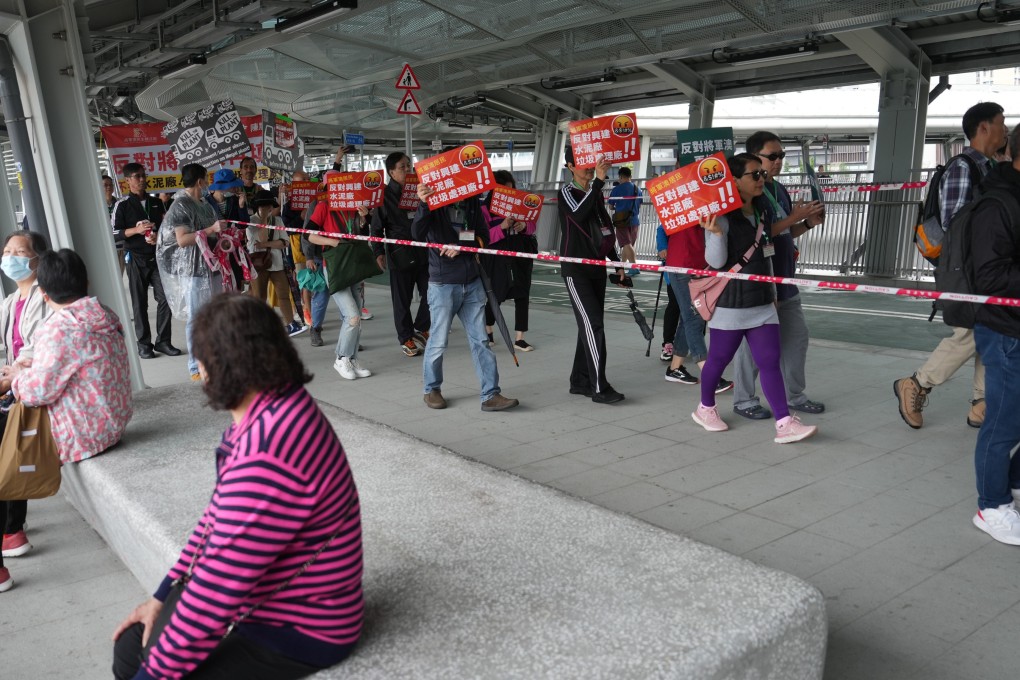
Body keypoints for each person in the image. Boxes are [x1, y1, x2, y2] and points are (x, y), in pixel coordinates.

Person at [112, 293, 363, 680]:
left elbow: (216, 595)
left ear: (217, 369)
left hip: (302, 631)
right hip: (284, 602)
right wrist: (162, 596)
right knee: (132, 646)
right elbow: (214, 523)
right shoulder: (273, 407)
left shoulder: (266, 449)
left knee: (139, 662)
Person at [894, 102, 1007, 429]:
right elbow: (955, 223)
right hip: (968, 267)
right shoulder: (964, 167)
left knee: (991, 326)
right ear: (983, 128)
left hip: (985, 265)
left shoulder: (990, 167)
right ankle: (917, 383)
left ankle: (981, 403)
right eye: (1000, 123)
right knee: (973, 331)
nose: (1005, 129)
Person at [691, 153, 817, 444]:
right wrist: (716, 234)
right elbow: (716, 260)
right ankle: (705, 407)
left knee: (770, 361)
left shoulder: (762, 210)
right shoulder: (720, 215)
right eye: (754, 174)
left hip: (762, 303)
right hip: (731, 305)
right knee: (719, 360)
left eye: (762, 173)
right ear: (734, 181)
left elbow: (767, 251)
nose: (762, 179)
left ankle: (784, 423)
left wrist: (771, 293)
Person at [2, 248, 132, 463]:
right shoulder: (105, 314)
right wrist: (36, 365)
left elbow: (38, 393)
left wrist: (18, 376)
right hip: (114, 422)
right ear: (86, 283)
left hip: (83, 438)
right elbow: (81, 359)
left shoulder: (58, 329)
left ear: (43, 294)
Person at [730, 131, 825, 420]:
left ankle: (794, 395)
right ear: (753, 158)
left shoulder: (778, 189)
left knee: (797, 338)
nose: (778, 162)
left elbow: (784, 232)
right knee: (754, 347)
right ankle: (744, 399)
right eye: (772, 156)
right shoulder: (747, 196)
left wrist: (807, 223)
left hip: (785, 279)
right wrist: (794, 218)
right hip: (760, 283)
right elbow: (753, 236)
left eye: (781, 156)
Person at [411, 182, 519, 411]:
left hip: (472, 282)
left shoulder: (471, 202)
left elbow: (483, 236)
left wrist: (461, 245)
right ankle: (431, 389)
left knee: (481, 340)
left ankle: (490, 394)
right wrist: (422, 203)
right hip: (442, 283)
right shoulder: (432, 202)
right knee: (438, 341)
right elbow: (417, 234)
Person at [966, 126, 1020, 545]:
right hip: (1005, 332)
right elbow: (990, 276)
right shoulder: (998, 203)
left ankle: (1012, 483)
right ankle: (992, 505)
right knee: (1003, 421)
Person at [558, 147, 628, 404]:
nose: (589, 167)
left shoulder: (594, 194)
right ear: (570, 167)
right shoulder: (567, 192)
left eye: (591, 162)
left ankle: (580, 381)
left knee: (588, 325)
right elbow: (578, 215)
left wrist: (617, 262)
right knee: (593, 324)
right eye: (582, 163)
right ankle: (600, 387)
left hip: (596, 266)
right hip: (576, 270)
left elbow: (604, 230)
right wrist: (597, 182)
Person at [656, 162, 733, 393]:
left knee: (693, 317)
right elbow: (663, 229)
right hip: (681, 266)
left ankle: (675, 368)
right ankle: (709, 372)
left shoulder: (707, 197)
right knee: (693, 318)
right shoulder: (677, 198)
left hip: (700, 264)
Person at [0, 231, 50, 565]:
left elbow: (35, 352)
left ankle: (11, 528)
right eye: (7, 251)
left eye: (20, 251)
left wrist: (6, 381)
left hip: (32, 388)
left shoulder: (43, 297)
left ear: (37, 258)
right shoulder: (8, 302)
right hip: (13, 385)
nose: (11, 258)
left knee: (6, 433)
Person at [157, 162, 224, 381]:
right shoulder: (181, 205)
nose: (208, 183)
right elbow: (182, 240)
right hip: (194, 272)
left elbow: (213, 231)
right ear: (200, 181)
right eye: (206, 178)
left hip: (211, 267)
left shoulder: (204, 204)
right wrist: (210, 230)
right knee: (196, 317)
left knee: (213, 316)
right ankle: (195, 365)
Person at [112, 162, 180, 359]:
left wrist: (156, 235)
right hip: (135, 258)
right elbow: (114, 233)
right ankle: (144, 344)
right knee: (139, 304)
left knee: (166, 299)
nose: (142, 180)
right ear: (128, 181)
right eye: (137, 176)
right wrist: (137, 230)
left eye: (143, 175)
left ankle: (163, 341)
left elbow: (168, 228)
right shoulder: (122, 205)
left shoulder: (156, 202)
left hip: (157, 257)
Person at [370, 152, 431, 357]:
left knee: (432, 293)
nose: (408, 170)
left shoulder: (418, 190)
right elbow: (376, 229)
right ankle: (405, 338)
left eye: (409, 166)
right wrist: (379, 252)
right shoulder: (383, 196)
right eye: (403, 167)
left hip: (423, 250)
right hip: (400, 254)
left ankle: (422, 328)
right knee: (402, 300)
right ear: (391, 172)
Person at [307, 198, 374, 381]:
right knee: (352, 316)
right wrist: (332, 242)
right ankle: (341, 358)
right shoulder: (323, 206)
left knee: (357, 317)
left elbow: (363, 234)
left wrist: (364, 218)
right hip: (335, 266)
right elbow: (308, 235)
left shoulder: (354, 205)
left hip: (354, 265)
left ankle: (352, 358)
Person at [479, 170, 537, 352]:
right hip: (495, 257)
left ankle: (520, 338)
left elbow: (532, 225)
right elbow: (483, 237)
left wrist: (523, 226)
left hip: (520, 254)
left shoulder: (519, 205)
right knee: (495, 294)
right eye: (504, 191)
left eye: (511, 190)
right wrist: (502, 227)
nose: (508, 195)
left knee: (522, 293)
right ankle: (488, 330)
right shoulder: (484, 209)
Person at [248, 189, 305, 336]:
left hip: (277, 264)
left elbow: (284, 242)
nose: (267, 208)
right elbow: (261, 238)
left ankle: (291, 324)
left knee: (283, 294)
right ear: (257, 207)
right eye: (263, 206)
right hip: (258, 265)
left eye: (268, 206)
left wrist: (265, 245)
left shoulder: (278, 220)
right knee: (259, 297)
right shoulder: (250, 221)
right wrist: (264, 221)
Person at [282, 171, 315, 326]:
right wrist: (301, 217)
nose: (306, 182)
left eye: (308, 180)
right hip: (297, 246)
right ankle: (307, 311)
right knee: (304, 279)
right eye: (302, 180)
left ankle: (309, 309)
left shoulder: (316, 202)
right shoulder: (288, 206)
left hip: (315, 244)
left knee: (314, 279)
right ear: (294, 184)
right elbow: (287, 228)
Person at [608, 166, 642, 277]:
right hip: (635, 220)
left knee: (626, 244)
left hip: (622, 221)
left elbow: (611, 206)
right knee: (629, 244)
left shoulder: (617, 189)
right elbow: (639, 204)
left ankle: (634, 267)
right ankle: (621, 266)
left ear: (621, 177)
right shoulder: (638, 189)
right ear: (630, 176)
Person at [104, 174, 125, 276]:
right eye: (105, 185)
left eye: (110, 185)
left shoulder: (120, 204)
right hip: (104, 248)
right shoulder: (96, 205)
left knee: (118, 276)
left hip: (120, 247)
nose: (108, 187)